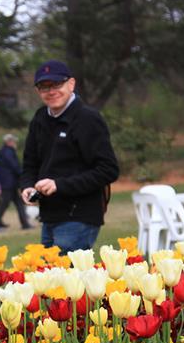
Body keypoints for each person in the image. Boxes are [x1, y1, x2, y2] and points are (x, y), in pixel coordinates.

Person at [19, 60, 119, 253]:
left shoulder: (88, 119)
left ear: (71, 84)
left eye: (57, 84)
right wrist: (28, 185)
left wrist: (59, 185)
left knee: (66, 272)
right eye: (44, 87)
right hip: (49, 215)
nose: (51, 91)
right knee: (48, 271)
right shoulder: (40, 118)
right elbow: (30, 162)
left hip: (79, 217)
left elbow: (108, 170)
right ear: (38, 91)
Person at [0, 134, 31, 230]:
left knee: (18, 203)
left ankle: (25, 224)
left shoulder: (5, 151)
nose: (15, 143)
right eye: (13, 141)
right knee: (4, 203)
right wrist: (23, 174)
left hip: (10, 182)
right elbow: (14, 166)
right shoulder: (8, 152)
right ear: (9, 142)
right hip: (9, 182)